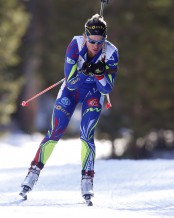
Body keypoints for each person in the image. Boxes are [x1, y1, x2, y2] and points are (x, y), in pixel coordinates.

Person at [19, 14, 119, 204]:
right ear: (85, 36)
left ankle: (87, 180)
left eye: (100, 42)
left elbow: (107, 88)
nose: (96, 46)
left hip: (92, 94)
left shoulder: (111, 52)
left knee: (86, 135)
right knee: (55, 132)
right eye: (92, 41)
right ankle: (32, 174)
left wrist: (98, 74)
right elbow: (71, 82)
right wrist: (85, 71)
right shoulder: (76, 44)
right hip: (70, 93)